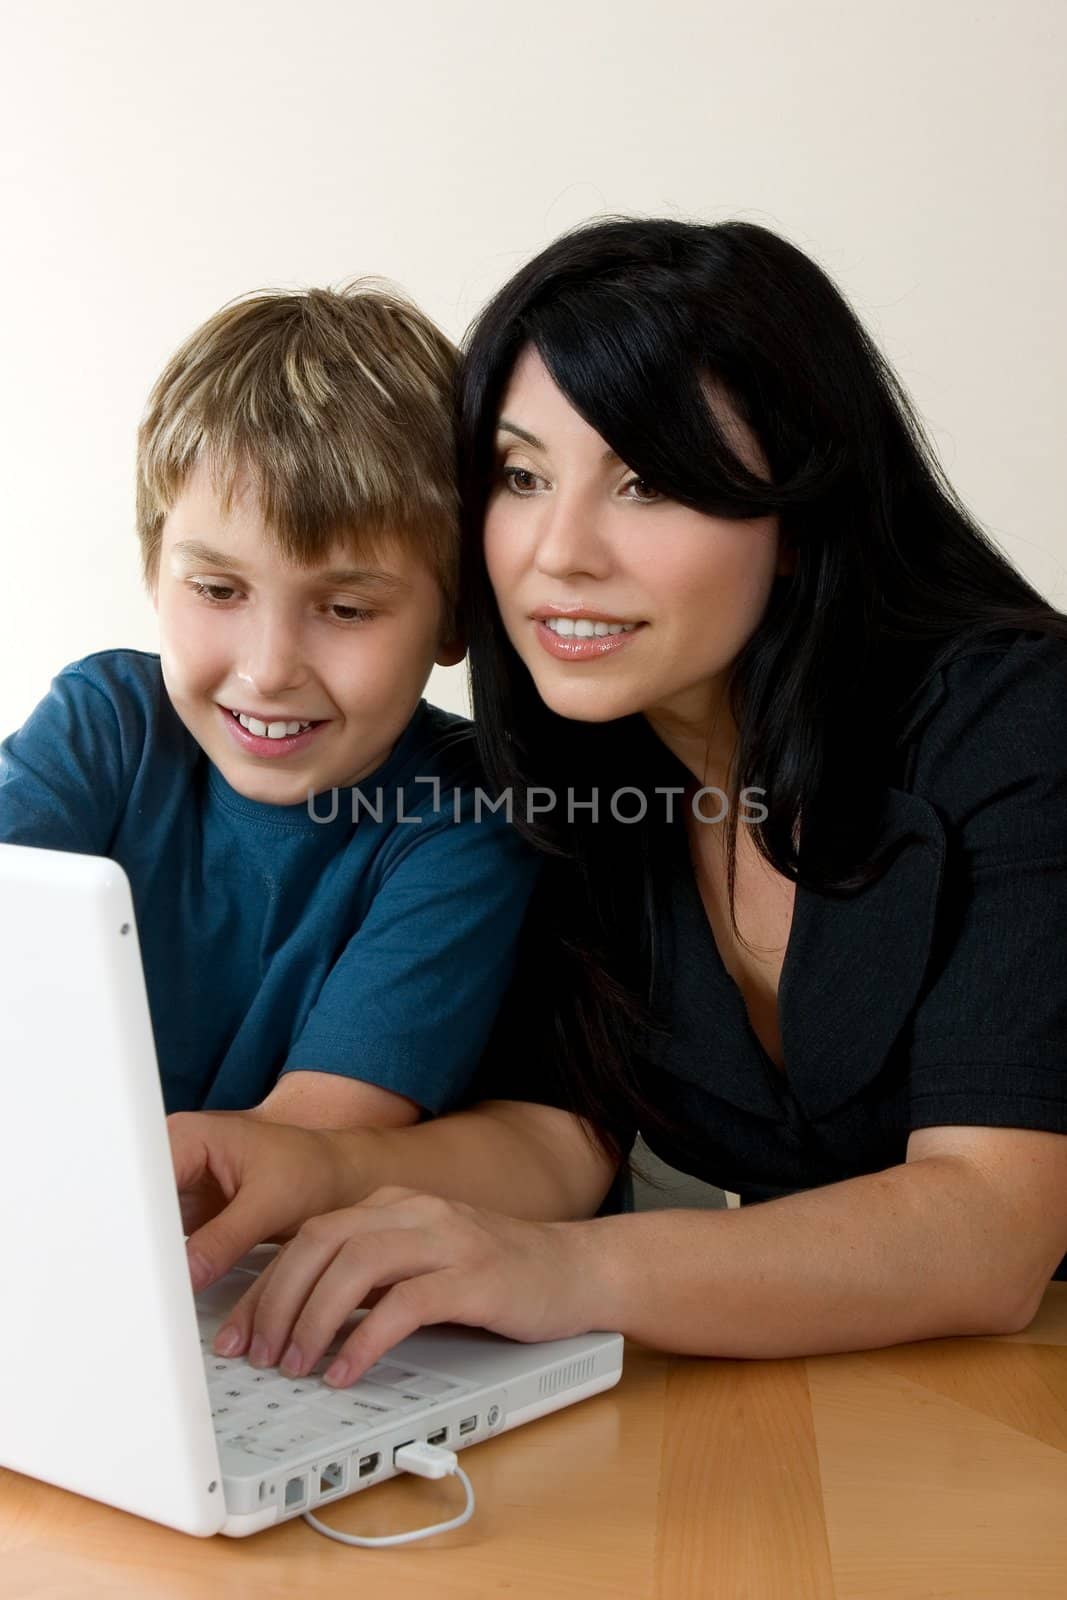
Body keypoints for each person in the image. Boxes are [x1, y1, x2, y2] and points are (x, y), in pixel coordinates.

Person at [168, 219, 1067, 1383]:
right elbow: (558, 1131)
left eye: (645, 482)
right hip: (870, 1406)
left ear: (795, 518)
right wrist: (309, 1169)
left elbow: (990, 1229)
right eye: (520, 475)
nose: (559, 551)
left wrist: (561, 1272)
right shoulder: (586, 771)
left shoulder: (1011, 722)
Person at [0, 282, 539, 1131]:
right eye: (217, 589)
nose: (268, 669)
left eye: (347, 609)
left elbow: (305, 1144)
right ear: (152, 570)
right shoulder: (103, 723)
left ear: (455, 616)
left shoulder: (469, 814)